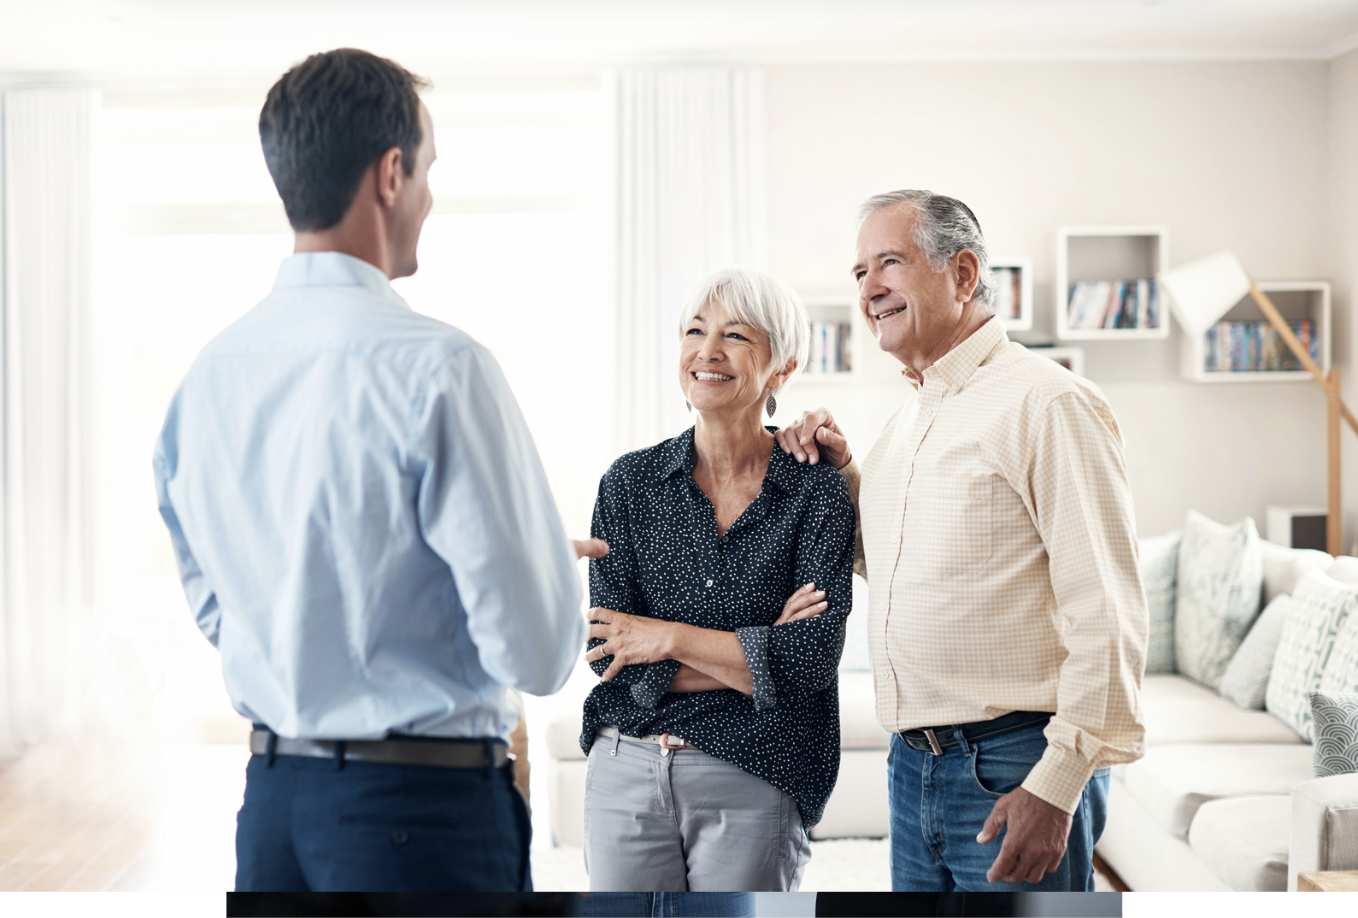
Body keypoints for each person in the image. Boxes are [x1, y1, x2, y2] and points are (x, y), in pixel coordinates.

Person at [152, 48, 594, 892]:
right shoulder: (441, 367)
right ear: (391, 173)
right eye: (428, 169)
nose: (430, 194)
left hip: (272, 810)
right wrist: (535, 560)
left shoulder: (207, 377)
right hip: (419, 818)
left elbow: (220, 605)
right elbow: (537, 653)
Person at [776, 190, 1147, 892]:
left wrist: (1058, 783)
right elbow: (885, 559)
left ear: (965, 274)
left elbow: (1109, 612)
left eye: (890, 262)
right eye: (859, 273)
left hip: (1012, 765)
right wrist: (837, 472)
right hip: (912, 767)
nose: (870, 289)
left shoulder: (1048, 402)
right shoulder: (910, 416)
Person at [577, 268, 856, 904]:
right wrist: (756, 653)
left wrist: (665, 637)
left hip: (756, 771)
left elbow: (808, 663)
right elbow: (607, 657)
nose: (707, 351)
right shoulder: (629, 483)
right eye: (695, 331)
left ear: (781, 367)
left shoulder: (815, 491)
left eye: (735, 335)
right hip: (627, 764)